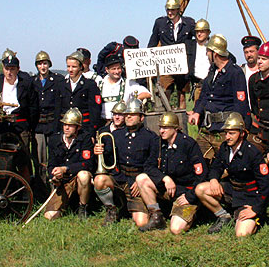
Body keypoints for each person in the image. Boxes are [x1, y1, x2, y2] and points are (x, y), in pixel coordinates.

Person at [194, 113, 269, 236]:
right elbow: (216, 166)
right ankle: (223, 216)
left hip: (249, 196)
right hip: (232, 191)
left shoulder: (252, 152)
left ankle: (257, 218)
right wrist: (214, 179)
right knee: (201, 189)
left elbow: (266, 185)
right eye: (226, 133)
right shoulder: (225, 147)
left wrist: (255, 209)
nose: (227, 137)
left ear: (242, 133)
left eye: (232, 133)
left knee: (241, 234)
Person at [136, 112, 208, 233]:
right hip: (167, 188)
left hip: (185, 193)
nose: (161, 131)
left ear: (175, 128)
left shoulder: (188, 144)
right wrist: (164, 178)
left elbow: (201, 174)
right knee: (141, 178)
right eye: (160, 127)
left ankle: (195, 213)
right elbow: (148, 166)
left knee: (176, 229)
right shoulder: (158, 143)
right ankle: (156, 216)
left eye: (165, 128)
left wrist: (190, 197)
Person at [92, 99, 159, 227]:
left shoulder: (151, 137)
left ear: (141, 118)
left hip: (137, 183)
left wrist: (141, 182)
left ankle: (128, 207)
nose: (128, 116)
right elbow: (109, 157)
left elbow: (153, 162)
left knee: (141, 222)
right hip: (119, 177)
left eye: (132, 114)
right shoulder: (116, 135)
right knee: (100, 180)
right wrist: (99, 151)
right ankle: (111, 209)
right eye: (126, 113)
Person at [188, 34, 251, 159]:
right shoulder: (212, 71)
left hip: (225, 130)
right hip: (208, 129)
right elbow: (204, 96)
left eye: (208, 52)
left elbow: (241, 105)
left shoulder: (235, 73)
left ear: (215, 53)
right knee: (196, 160)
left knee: (227, 165)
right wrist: (197, 112)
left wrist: (238, 131)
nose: (206, 55)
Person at [44, 108, 96, 220]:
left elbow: (88, 164)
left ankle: (83, 207)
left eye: (71, 125)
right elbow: (51, 164)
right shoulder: (54, 140)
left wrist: (66, 168)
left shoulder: (85, 139)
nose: (66, 128)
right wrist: (54, 176)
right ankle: (67, 206)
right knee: (49, 216)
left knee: (84, 175)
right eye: (65, 125)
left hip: (77, 179)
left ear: (78, 127)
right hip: (62, 183)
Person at [148, 0, 196, 109]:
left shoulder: (189, 23)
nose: (170, 12)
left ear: (178, 10)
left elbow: (198, 40)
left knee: (182, 95)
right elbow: (153, 42)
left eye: (172, 10)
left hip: (183, 66)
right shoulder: (160, 23)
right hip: (166, 65)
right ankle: (166, 119)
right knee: (165, 93)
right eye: (168, 10)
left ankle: (182, 123)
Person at [33, 50, 64, 180]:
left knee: (54, 155)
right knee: (40, 158)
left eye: (45, 63)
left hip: (53, 124)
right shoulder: (33, 81)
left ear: (49, 64)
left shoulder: (57, 80)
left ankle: (54, 184)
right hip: (39, 125)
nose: (42, 67)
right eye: (40, 64)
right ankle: (41, 185)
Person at [60, 50, 102, 137]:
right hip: (66, 129)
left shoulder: (90, 85)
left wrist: (91, 133)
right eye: (68, 66)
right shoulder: (62, 85)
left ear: (80, 67)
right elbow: (58, 109)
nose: (70, 70)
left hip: (84, 128)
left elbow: (95, 111)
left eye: (74, 67)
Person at [98, 53, 150, 124]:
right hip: (103, 123)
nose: (117, 72)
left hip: (122, 124)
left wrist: (132, 102)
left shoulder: (128, 83)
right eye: (113, 69)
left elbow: (147, 94)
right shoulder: (99, 84)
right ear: (107, 70)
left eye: (118, 68)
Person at [191, 19, 212, 97]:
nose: (199, 34)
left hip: (211, 84)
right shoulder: (190, 46)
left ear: (208, 32)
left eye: (202, 31)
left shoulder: (214, 46)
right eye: (197, 31)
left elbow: (230, 58)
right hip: (196, 84)